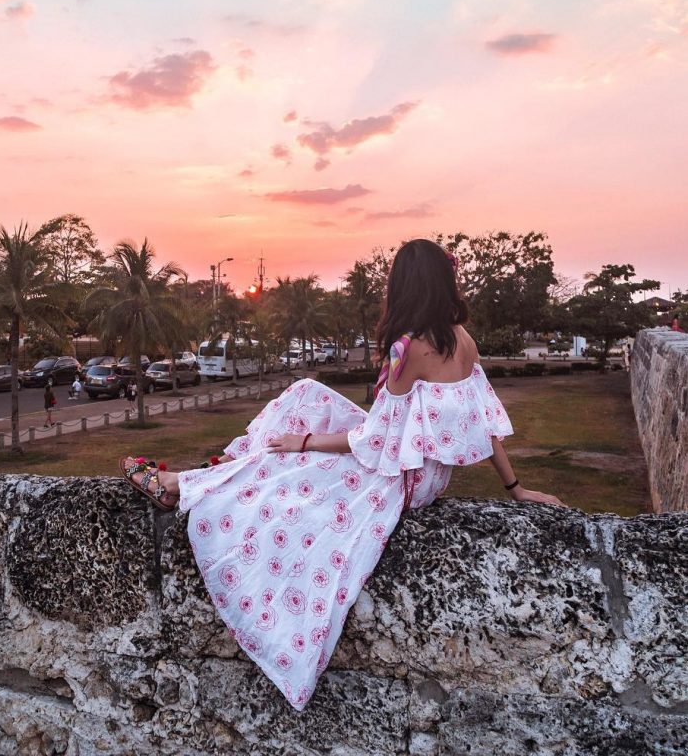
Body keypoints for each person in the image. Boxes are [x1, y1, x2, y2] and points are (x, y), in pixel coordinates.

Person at [120, 239, 563, 711]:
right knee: (307, 394)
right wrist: (516, 488)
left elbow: (374, 442)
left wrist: (305, 443)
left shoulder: (406, 349)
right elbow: (484, 424)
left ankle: (183, 483)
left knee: (289, 461)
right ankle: (215, 471)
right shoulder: (464, 341)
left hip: (398, 475)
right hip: (429, 477)